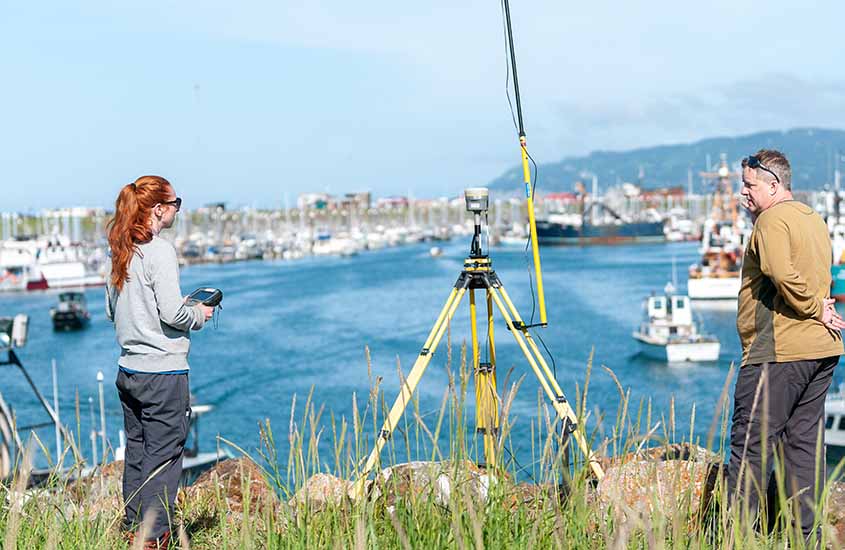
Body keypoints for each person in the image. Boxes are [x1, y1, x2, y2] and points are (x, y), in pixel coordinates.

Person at [729, 149, 845, 540]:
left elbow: (779, 271)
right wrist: (821, 311)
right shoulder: (811, 218)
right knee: (803, 448)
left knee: (749, 448)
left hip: (779, 352)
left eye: (749, 185)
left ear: (773, 185)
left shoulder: (771, 221)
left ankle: (739, 539)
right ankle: (803, 539)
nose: (742, 192)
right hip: (820, 351)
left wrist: (815, 308)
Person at [105, 175, 214, 548]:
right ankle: (154, 539)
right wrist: (198, 315)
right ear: (159, 209)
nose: (177, 210)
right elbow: (172, 313)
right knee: (164, 458)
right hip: (163, 373)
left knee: (138, 452)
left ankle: (133, 528)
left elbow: (111, 309)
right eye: (176, 203)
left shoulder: (121, 247)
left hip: (129, 370)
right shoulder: (159, 249)